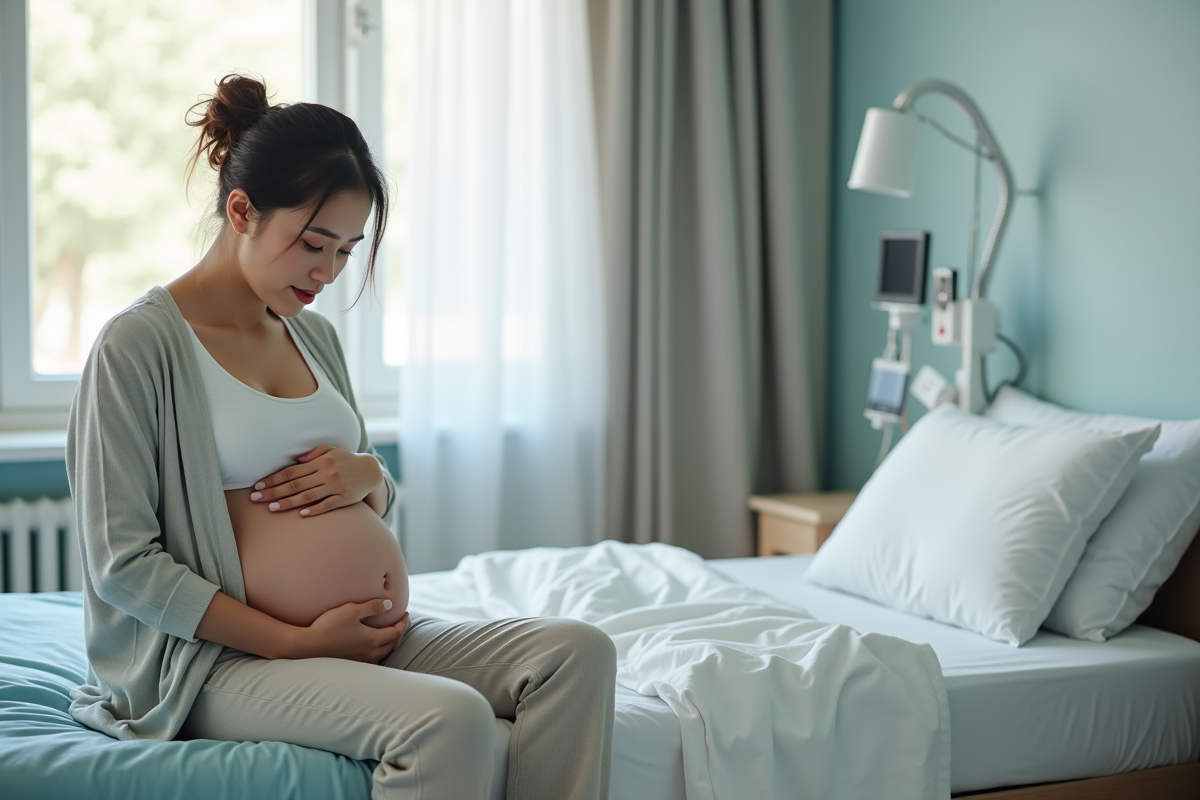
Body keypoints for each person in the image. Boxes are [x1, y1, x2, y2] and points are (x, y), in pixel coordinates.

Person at [65, 73, 616, 800]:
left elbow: (363, 491)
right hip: (216, 664)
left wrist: (372, 480)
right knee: (449, 719)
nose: (326, 273)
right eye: (312, 244)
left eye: (347, 252)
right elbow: (123, 565)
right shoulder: (137, 348)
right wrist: (296, 642)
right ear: (241, 210)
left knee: (577, 653)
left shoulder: (315, 338)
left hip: (358, 638)